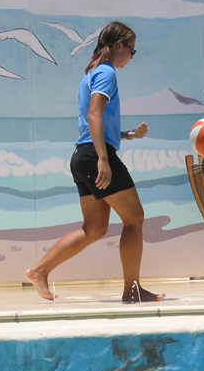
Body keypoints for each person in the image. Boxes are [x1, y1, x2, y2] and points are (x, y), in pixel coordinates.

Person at [25, 21, 165, 304]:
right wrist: (104, 158)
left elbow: (96, 123)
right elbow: (93, 115)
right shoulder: (106, 72)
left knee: (95, 228)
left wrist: (126, 135)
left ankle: (39, 271)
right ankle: (132, 290)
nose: (132, 56)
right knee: (134, 219)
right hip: (94, 157)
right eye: (132, 50)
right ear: (119, 46)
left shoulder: (92, 72)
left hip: (82, 156)